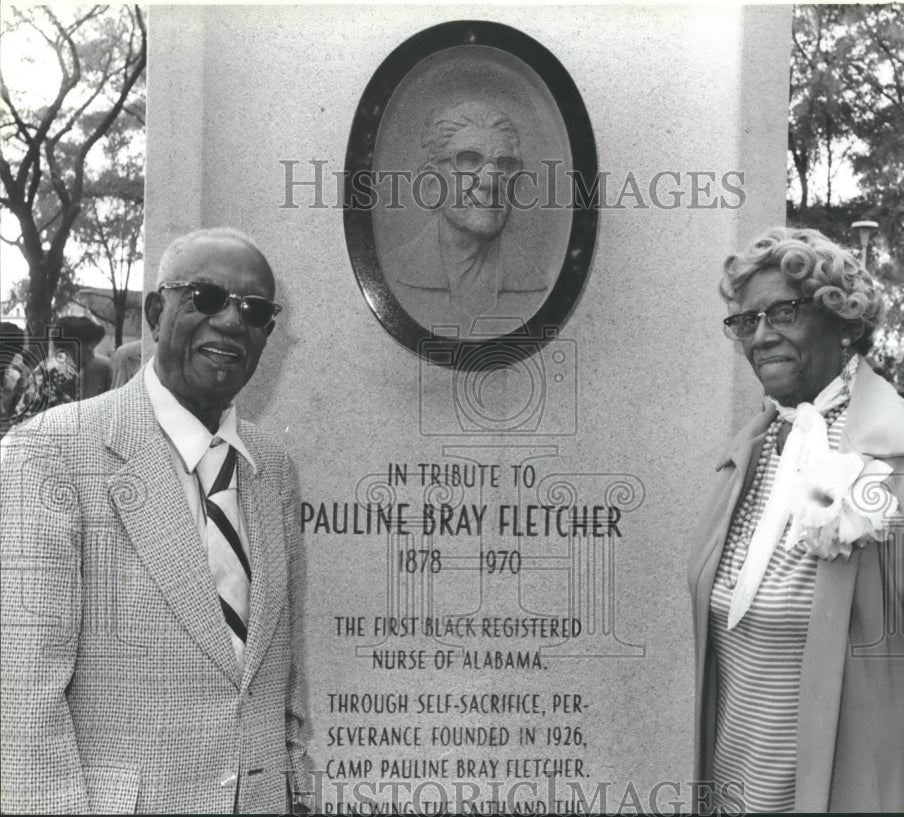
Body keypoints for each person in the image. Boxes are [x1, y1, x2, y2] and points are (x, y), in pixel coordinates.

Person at [689, 227, 904, 812]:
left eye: (783, 311)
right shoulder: (751, 454)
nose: (761, 335)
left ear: (846, 320)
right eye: (746, 321)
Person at [0, 228, 310, 814]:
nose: (230, 322)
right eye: (207, 298)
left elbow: (280, 676)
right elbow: (20, 700)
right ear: (154, 311)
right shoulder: (52, 453)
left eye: (254, 310)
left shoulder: (273, 469)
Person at [383, 100, 548, 336]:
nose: (491, 181)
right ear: (432, 184)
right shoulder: (393, 271)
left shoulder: (534, 282)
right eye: (469, 160)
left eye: (506, 165)